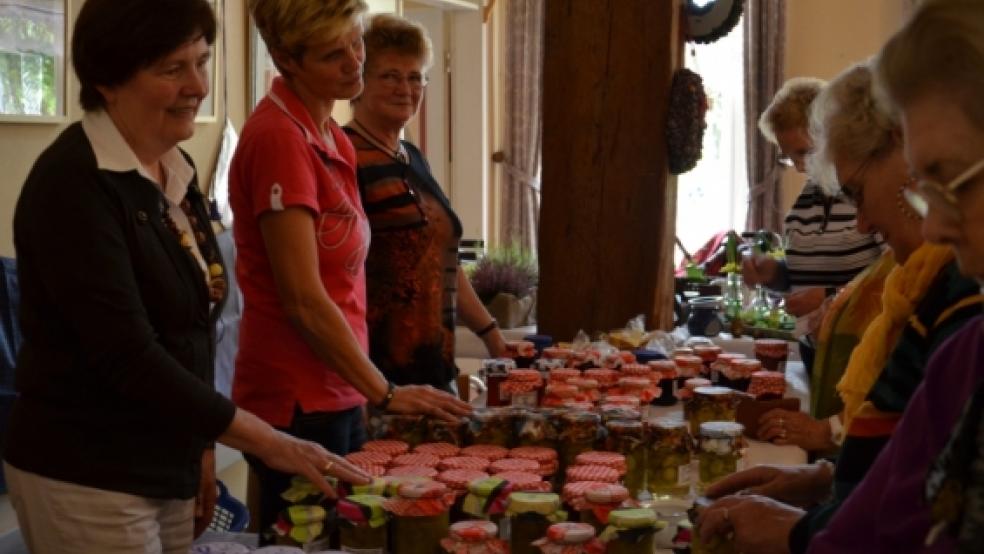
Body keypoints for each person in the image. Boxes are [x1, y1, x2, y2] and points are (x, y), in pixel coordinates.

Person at [1, 1, 369, 553]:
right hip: (90, 471)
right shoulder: (73, 186)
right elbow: (130, 356)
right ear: (108, 78)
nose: (196, 86)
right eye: (172, 69)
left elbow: (193, 330)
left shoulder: (173, 168)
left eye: (201, 61)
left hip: (165, 464)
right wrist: (267, 440)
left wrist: (200, 447)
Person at [696, 61, 984, 554]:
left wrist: (800, 531)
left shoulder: (959, 300)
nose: (864, 224)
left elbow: (918, 520)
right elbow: (904, 470)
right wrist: (825, 479)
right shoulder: (932, 290)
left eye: (937, 178)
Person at [229, 0, 472, 540]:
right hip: (297, 396)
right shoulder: (279, 139)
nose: (352, 62)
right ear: (286, 59)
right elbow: (304, 300)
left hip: (341, 388)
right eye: (331, 54)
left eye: (355, 42)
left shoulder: (330, 137)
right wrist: (383, 390)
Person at [805, 1, 984, 551]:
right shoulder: (968, 355)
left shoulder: (959, 320)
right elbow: (875, 525)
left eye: (948, 180)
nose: (932, 227)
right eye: (923, 187)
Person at [342, 13, 507, 392]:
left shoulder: (411, 157)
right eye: (390, 76)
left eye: (415, 77)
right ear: (360, 83)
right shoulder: (345, 155)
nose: (406, 88)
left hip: (434, 370)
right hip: (376, 379)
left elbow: (443, 260)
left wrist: (492, 335)